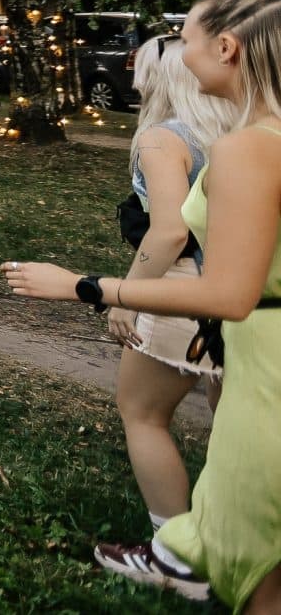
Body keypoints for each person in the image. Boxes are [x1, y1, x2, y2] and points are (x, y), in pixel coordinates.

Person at [4, 0, 281, 610]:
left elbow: (230, 294)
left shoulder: (246, 149)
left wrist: (86, 286)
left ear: (227, 48)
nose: (175, 49)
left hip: (266, 371)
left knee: (258, 568)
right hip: (257, 356)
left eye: (184, 34)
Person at [104, 42, 237, 542]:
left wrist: (125, 297)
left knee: (141, 412)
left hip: (183, 291)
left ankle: (173, 544)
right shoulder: (243, 131)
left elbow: (169, 232)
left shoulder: (164, 139)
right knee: (232, 425)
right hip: (244, 291)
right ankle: (235, 537)